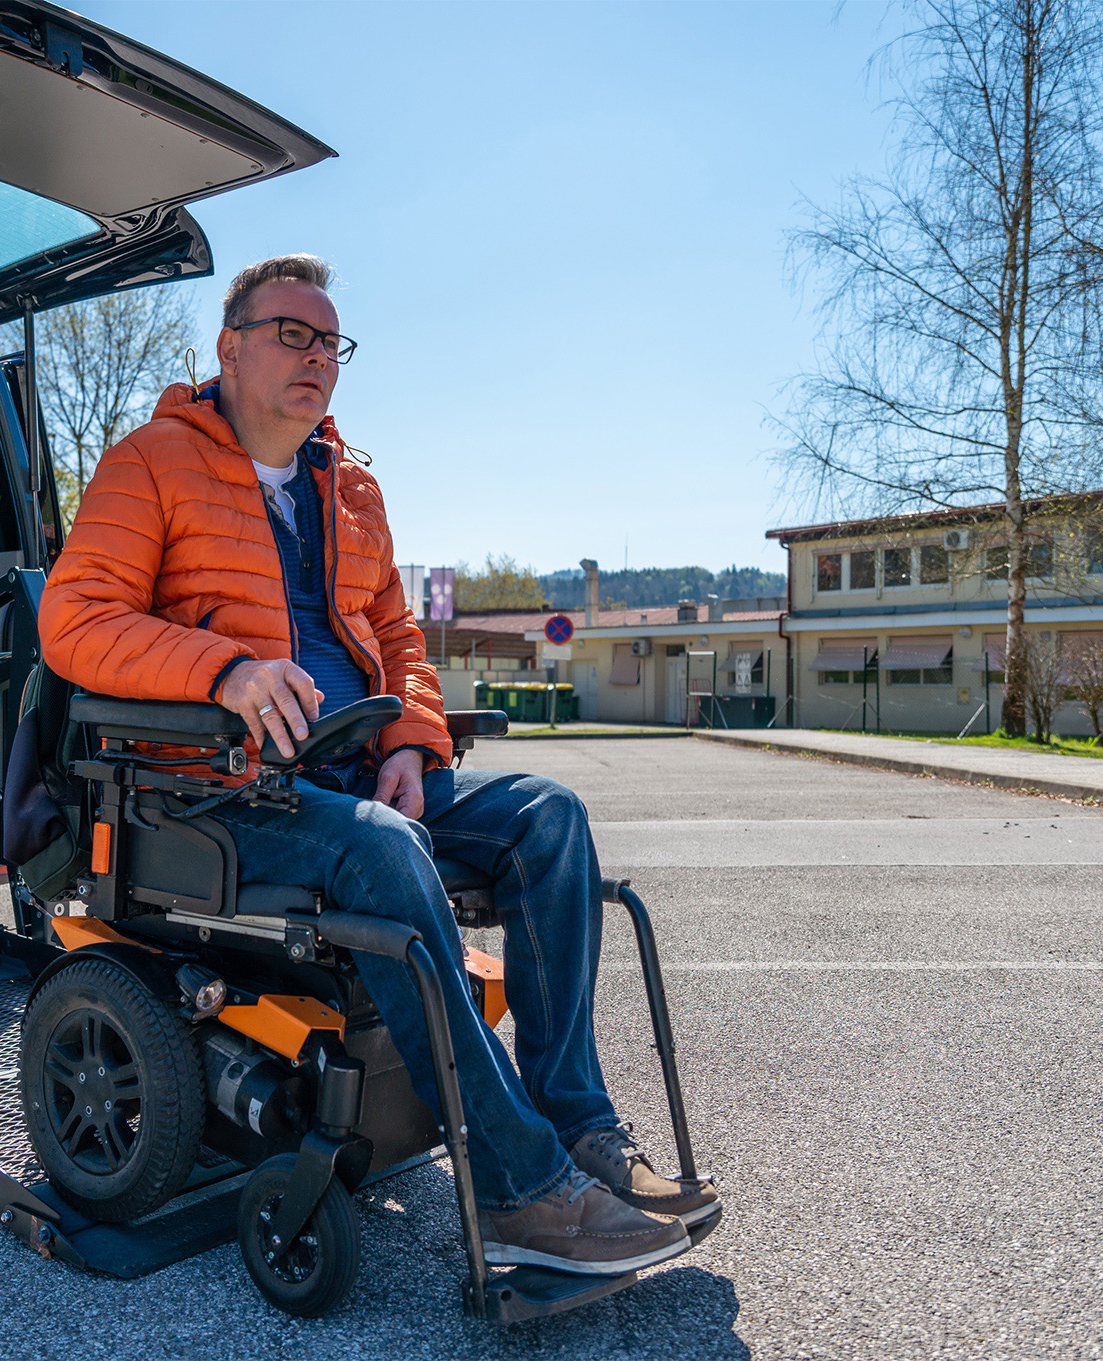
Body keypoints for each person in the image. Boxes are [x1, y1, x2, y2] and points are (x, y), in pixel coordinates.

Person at [38, 255, 718, 1276]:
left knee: (552, 816)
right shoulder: (151, 462)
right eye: (292, 334)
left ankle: (579, 1131)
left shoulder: (350, 484)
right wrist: (223, 669)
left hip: (361, 774)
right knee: (388, 850)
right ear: (229, 347)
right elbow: (75, 620)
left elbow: (399, 637)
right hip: (221, 794)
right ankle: (525, 1191)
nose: (318, 358)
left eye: (331, 341)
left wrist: (412, 740)